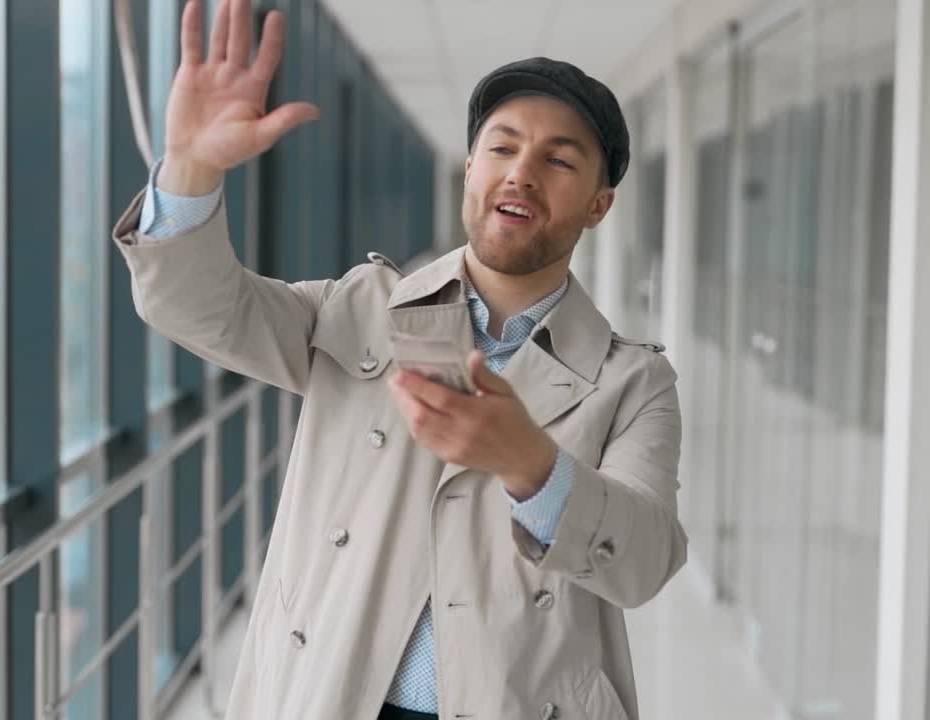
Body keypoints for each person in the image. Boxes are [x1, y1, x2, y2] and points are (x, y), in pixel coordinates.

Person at [112, 1, 687, 718]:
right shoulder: (362, 308)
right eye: (502, 148)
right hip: (328, 692)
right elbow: (201, 308)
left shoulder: (632, 381)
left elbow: (645, 559)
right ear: (472, 166)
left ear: (599, 205)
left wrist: (532, 466)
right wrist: (191, 172)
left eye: (559, 159)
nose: (522, 173)